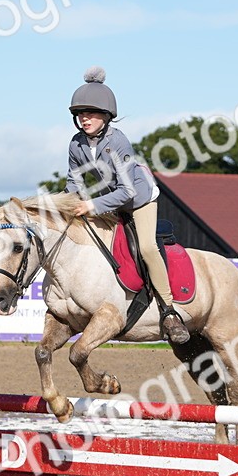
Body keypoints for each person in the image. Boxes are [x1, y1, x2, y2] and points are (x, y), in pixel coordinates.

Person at [65, 66, 189, 344]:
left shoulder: (118, 141)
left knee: (146, 248)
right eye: (80, 113)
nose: (84, 118)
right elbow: (74, 182)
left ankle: (169, 311)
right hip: (109, 201)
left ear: (106, 116)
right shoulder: (76, 144)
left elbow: (127, 191)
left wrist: (91, 205)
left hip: (139, 199)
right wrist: (65, 206)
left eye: (91, 113)